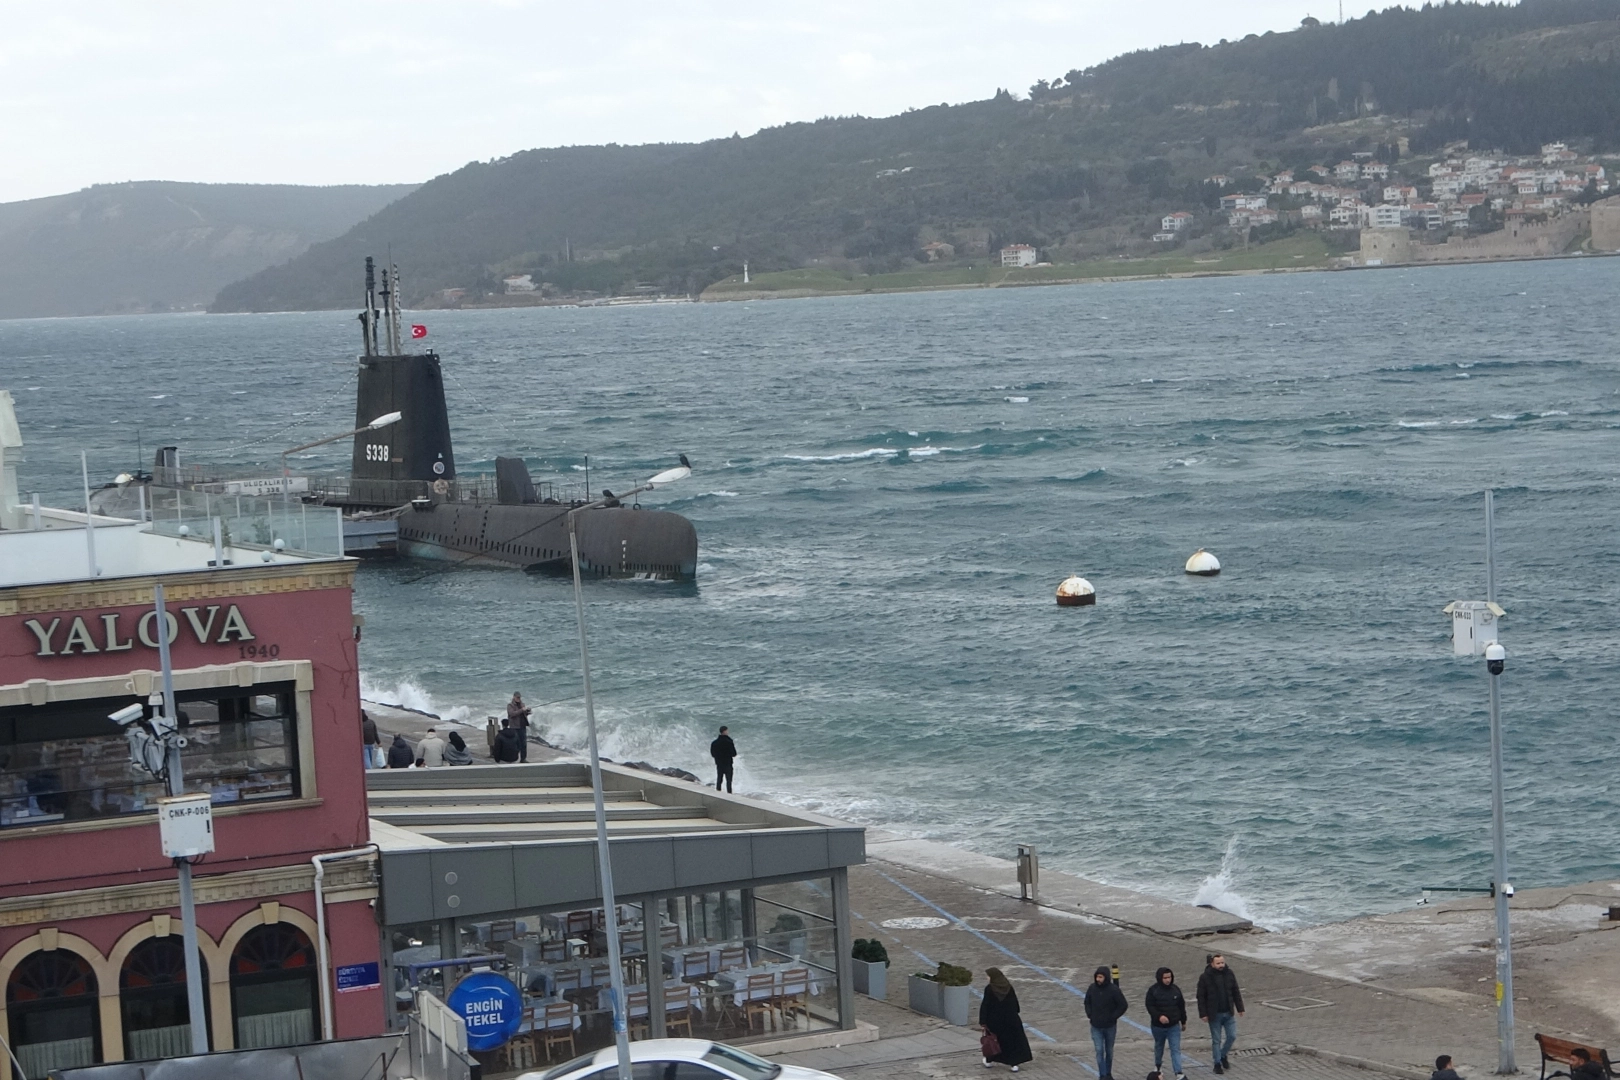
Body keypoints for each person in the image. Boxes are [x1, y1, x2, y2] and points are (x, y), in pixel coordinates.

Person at [1197, 953, 1244, 1074]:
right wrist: (1203, 1013)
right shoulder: (1205, 977)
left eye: (1222, 962)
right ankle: (1217, 1063)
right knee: (1216, 1040)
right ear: (1212, 964)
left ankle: (1223, 1055)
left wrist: (1240, 1008)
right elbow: (1201, 997)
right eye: (1218, 963)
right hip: (1214, 1014)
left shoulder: (1229, 974)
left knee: (1232, 1036)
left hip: (1228, 1012)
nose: (1221, 965)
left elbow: (1235, 991)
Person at [978, 967, 1032, 1072]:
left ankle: (989, 1060)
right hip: (1011, 1019)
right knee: (1012, 1041)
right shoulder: (1008, 987)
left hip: (995, 1021)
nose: (987, 978)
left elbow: (985, 1005)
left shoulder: (990, 989)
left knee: (994, 1042)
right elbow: (1015, 1003)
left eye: (988, 976)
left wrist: (983, 1021)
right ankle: (1014, 1063)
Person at [1083, 966, 1127, 1080]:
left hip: (1110, 1026)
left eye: (1101, 977)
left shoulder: (1113, 990)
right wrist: (1090, 1014)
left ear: (1106, 977)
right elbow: (1087, 1002)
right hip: (1096, 1026)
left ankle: (1108, 1073)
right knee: (1099, 1050)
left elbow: (1123, 1005)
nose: (1098, 979)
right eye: (1097, 977)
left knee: (1109, 1051)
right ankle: (1102, 1075)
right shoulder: (1092, 988)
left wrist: (1113, 1017)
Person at [1145, 967, 1188, 1080]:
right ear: (1160, 978)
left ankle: (1178, 1072)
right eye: (1165, 978)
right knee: (1159, 1046)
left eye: (1169, 977)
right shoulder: (1153, 990)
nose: (1168, 980)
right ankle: (1158, 1066)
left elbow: (1181, 1006)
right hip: (1158, 1026)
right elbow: (1150, 1006)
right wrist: (1159, 1016)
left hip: (1173, 1026)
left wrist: (1183, 1021)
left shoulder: (1175, 990)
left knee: (1175, 1049)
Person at [710, 725, 737, 792]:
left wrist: (718, 757)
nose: (728, 732)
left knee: (719, 779)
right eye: (727, 731)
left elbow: (713, 754)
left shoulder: (714, 743)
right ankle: (729, 793)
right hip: (728, 763)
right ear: (724, 731)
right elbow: (734, 754)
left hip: (719, 763)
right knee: (729, 780)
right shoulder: (729, 742)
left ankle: (718, 792)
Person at [507, 692, 533, 763]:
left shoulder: (522, 704)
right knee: (516, 744)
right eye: (517, 697)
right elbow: (512, 714)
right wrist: (522, 710)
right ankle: (513, 758)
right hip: (514, 727)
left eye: (519, 697)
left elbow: (524, 714)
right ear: (514, 697)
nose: (518, 699)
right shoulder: (510, 705)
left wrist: (528, 711)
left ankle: (523, 759)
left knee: (523, 744)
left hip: (522, 726)